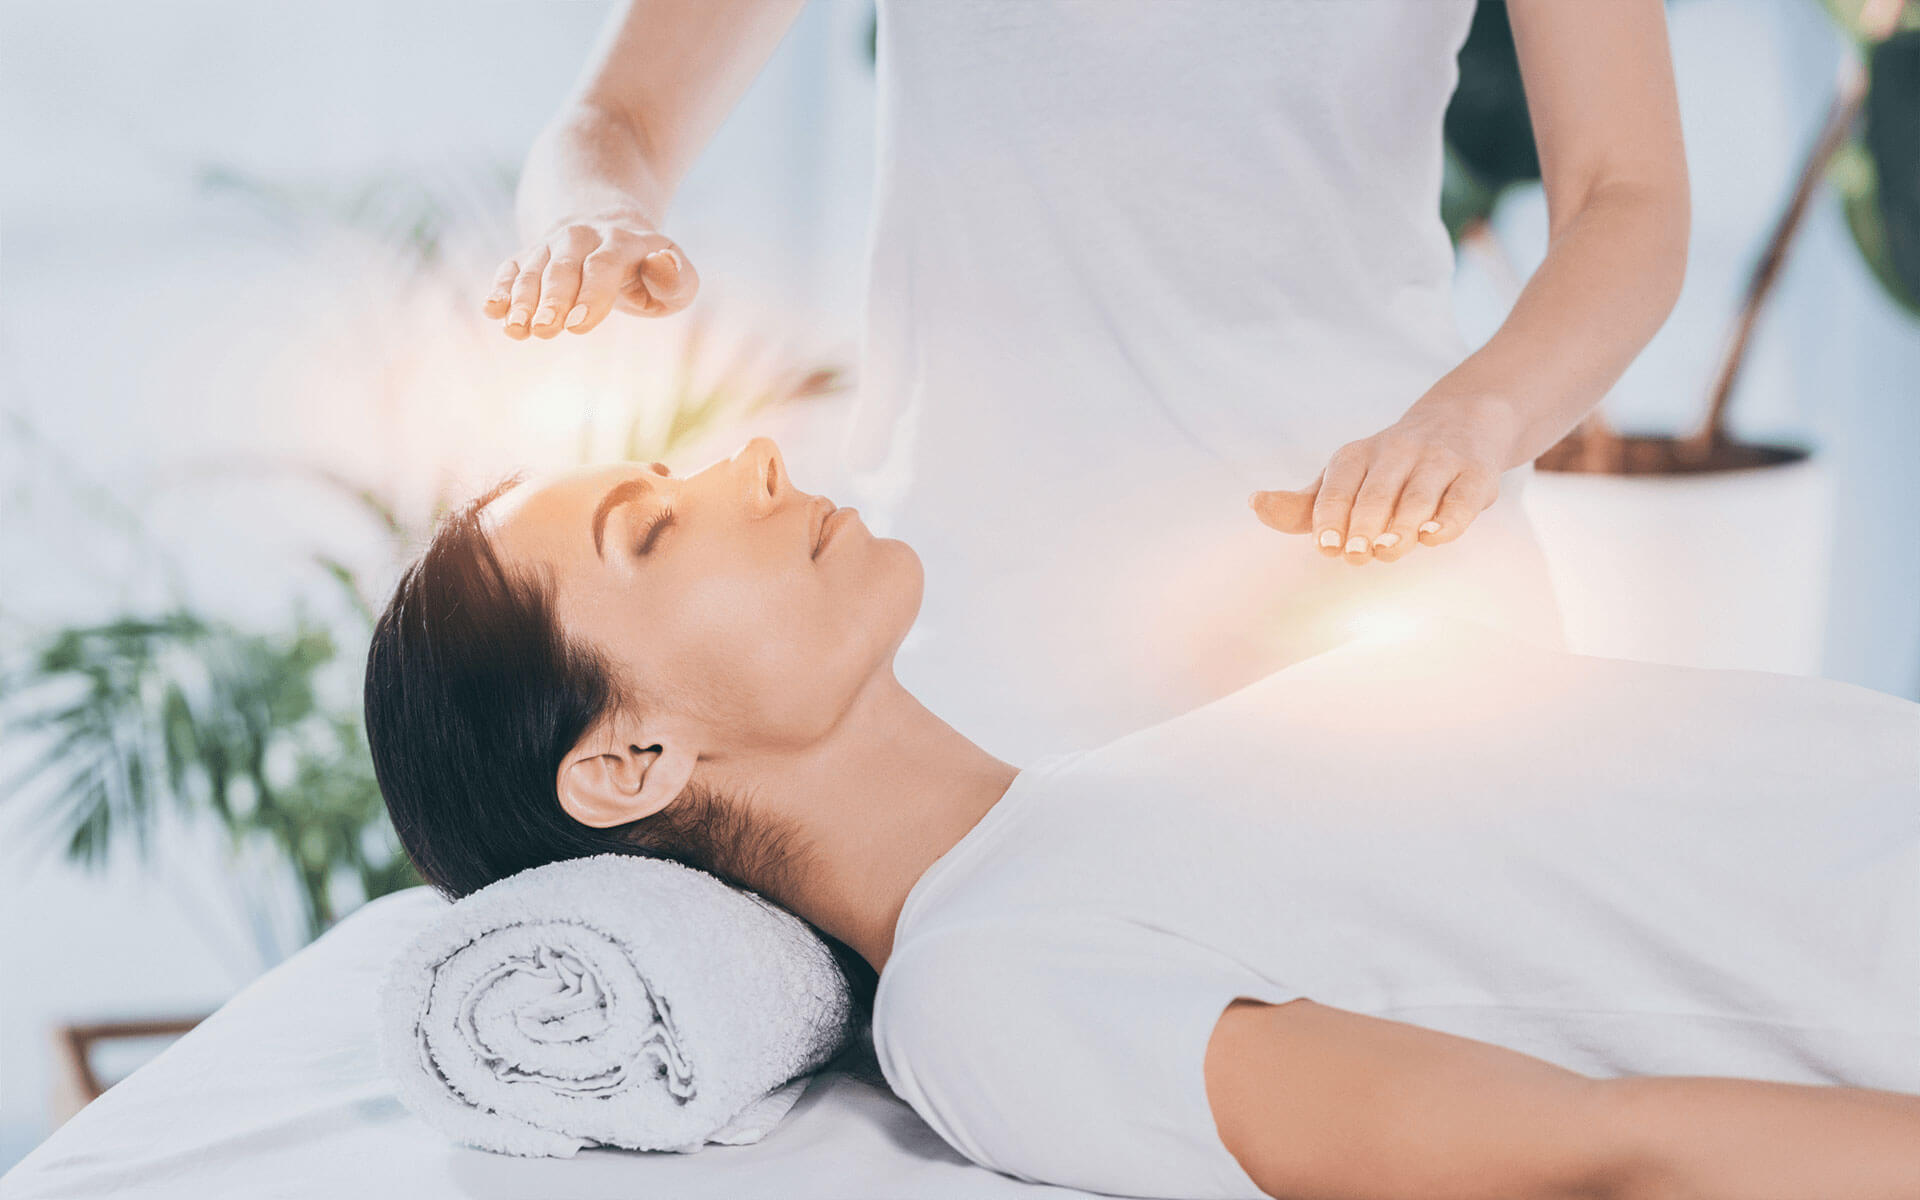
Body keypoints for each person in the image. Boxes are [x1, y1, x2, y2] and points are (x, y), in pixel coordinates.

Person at [364, 438, 1919, 1200]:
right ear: (627, 764)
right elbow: (1594, 1159)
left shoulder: (1102, 798)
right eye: (655, 524)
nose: (753, 457)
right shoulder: (990, 991)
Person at [481, 0, 1691, 764]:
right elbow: (617, 116)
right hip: (980, 644)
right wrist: (593, 211)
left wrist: (1472, 423)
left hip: (1381, 604)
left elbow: (1626, 198)